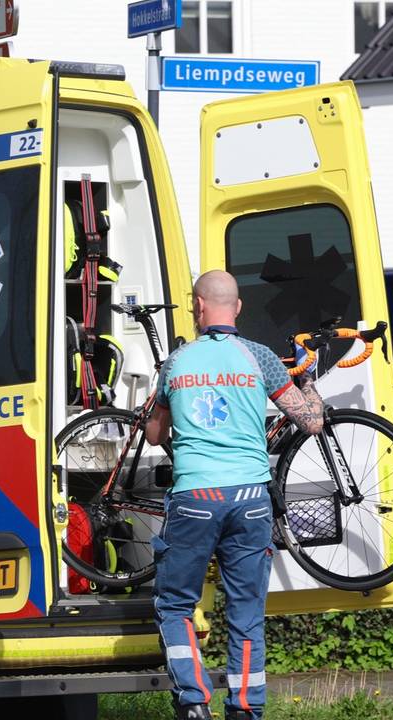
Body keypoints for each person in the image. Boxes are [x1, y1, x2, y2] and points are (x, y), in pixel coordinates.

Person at [144, 270, 324, 720]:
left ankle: (193, 703)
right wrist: (308, 378)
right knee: (246, 612)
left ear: (198, 306)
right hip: (250, 497)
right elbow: (312, 422)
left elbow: (153, 434)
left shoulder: (177, 361)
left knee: (176, 606)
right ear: (238, 307)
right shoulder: (260, 358)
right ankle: (244, 708)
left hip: (195, 497)